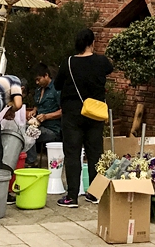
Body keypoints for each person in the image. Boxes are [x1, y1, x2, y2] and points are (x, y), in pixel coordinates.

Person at [53, 28, 113, 208]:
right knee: (95, 153)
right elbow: (109, 70)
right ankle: (94, 194)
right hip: (94, 113)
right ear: (92, 42)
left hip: (72, 113)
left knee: (72, 154)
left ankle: (71, 196)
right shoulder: (101, 61)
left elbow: (57, 85)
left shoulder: (69, 62)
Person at [25, 63, 62, 164]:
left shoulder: (56, 89)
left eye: (38, 79)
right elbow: (38, 105)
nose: (37, 82)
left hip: (53, 129)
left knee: (28, 130)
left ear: (46, 75)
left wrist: (46, 116)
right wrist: (33, 111)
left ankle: (31, 161)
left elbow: (64, 111)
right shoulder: (38, 90)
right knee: (22, 127)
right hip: (38, 126)